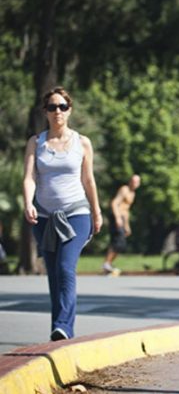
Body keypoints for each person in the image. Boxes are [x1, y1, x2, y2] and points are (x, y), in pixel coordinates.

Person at [22, 87, 103, 341]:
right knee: (54, 273)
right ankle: (58, 328)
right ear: (45, 112)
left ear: (70, 110)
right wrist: (28, 202)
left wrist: (97, 213)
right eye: (52, 107)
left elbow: (88, 180)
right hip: (45, 216)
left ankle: (64, 327)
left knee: (66, 267)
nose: (57, 111)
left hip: (76, 213)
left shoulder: (82, 143)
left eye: (62, 107)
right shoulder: (37, 143)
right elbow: (29, 178)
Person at [102, 174, 141, 275]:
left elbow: (127, 210)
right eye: (133, 181)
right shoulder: (125, 189)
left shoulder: (133, 194)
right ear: (130, 181)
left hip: (123, 218)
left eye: (136, 182)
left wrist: (127, 225)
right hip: (116, 216)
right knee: (117, 241)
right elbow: (114, 203)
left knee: (121, 244)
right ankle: (106, 263)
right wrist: (117, 217)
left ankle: (109, 264)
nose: (134, 183)